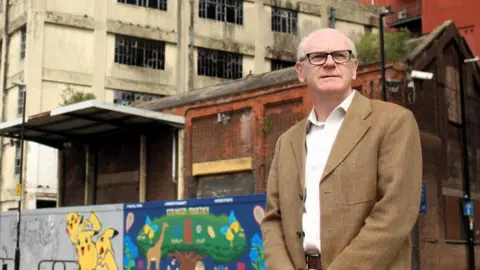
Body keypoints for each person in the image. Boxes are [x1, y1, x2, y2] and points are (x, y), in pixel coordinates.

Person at [260, 28, 422, 270]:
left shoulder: (394, 122)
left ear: (354, 67)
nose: (329, 63)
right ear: (300, 71)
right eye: (318, 57)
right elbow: (273, 219)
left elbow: (395, 215)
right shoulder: (286, 142)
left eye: (340, 55)